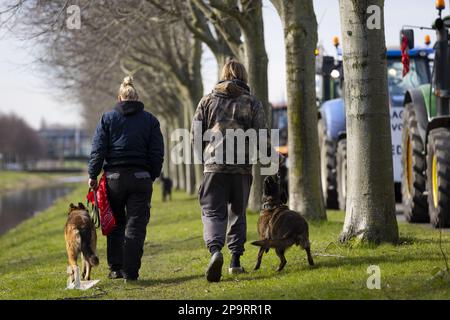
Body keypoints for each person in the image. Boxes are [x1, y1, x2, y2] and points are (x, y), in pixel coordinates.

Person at [191, 59, 272, 282]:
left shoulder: (207, 101)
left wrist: (202, 159)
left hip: (214, 166)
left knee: (213, 212)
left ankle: (215, 251)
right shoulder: (252, 103)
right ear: (244, 76)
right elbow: (261, 135)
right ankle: (235, 262)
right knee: (238, 212)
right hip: (241, 168)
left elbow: (195, 134)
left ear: (223, 75)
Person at [88, 75, 164, 282]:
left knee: (116, 225)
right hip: (141, 178)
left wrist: (92, 175)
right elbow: (157, 152)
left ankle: (115, 268)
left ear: (119, 98)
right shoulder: (150, 120)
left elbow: (98, 150)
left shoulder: (108, 118)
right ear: (137, 98)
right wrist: (152, 175)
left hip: (114, 179)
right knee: (136, 226)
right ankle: (131, 272)